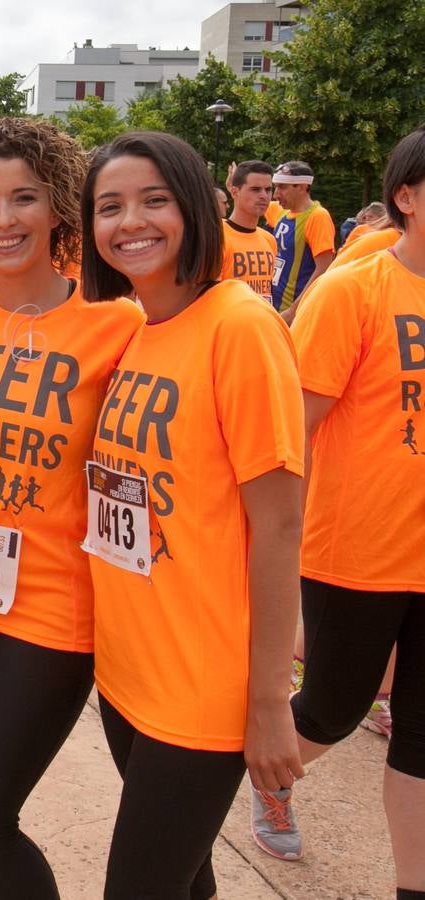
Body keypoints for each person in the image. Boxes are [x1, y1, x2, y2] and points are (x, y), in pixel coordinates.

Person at [0, 117, 144, 899]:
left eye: (23, 198)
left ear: (57, 207)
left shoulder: (118, 324)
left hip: (46, 608)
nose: (2, 220)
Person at [80, 131, 304, 899]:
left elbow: (278, 527)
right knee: (186, 881)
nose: (129, 222)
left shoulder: (240, 327)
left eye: (153, 200)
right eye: (108, 206)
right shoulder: (136, 329)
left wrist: (269, 701)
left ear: (193, 207)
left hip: (201, 685)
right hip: (127, 672)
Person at [248, 127, 425, 899]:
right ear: (405, 196)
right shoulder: (354, 292)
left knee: (420, 739)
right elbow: (294, 432)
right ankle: (259, 773)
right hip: (355, 554)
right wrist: (271, 553)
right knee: (328, 712)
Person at [271, 160, 336, 319]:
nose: (275, 194)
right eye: (275, 187)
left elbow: (324, 269)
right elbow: (250, 204)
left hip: (294, 312)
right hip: (274, 306)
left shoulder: (317, 216)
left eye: (282, 187)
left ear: (302, 187)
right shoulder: (280, 211)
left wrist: (293, 311)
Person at [222, 160, 278, 299]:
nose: (264, 196)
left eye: (268, 189)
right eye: (255, 189)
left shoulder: (269, 240)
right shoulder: (217, 237)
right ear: (234, 192)